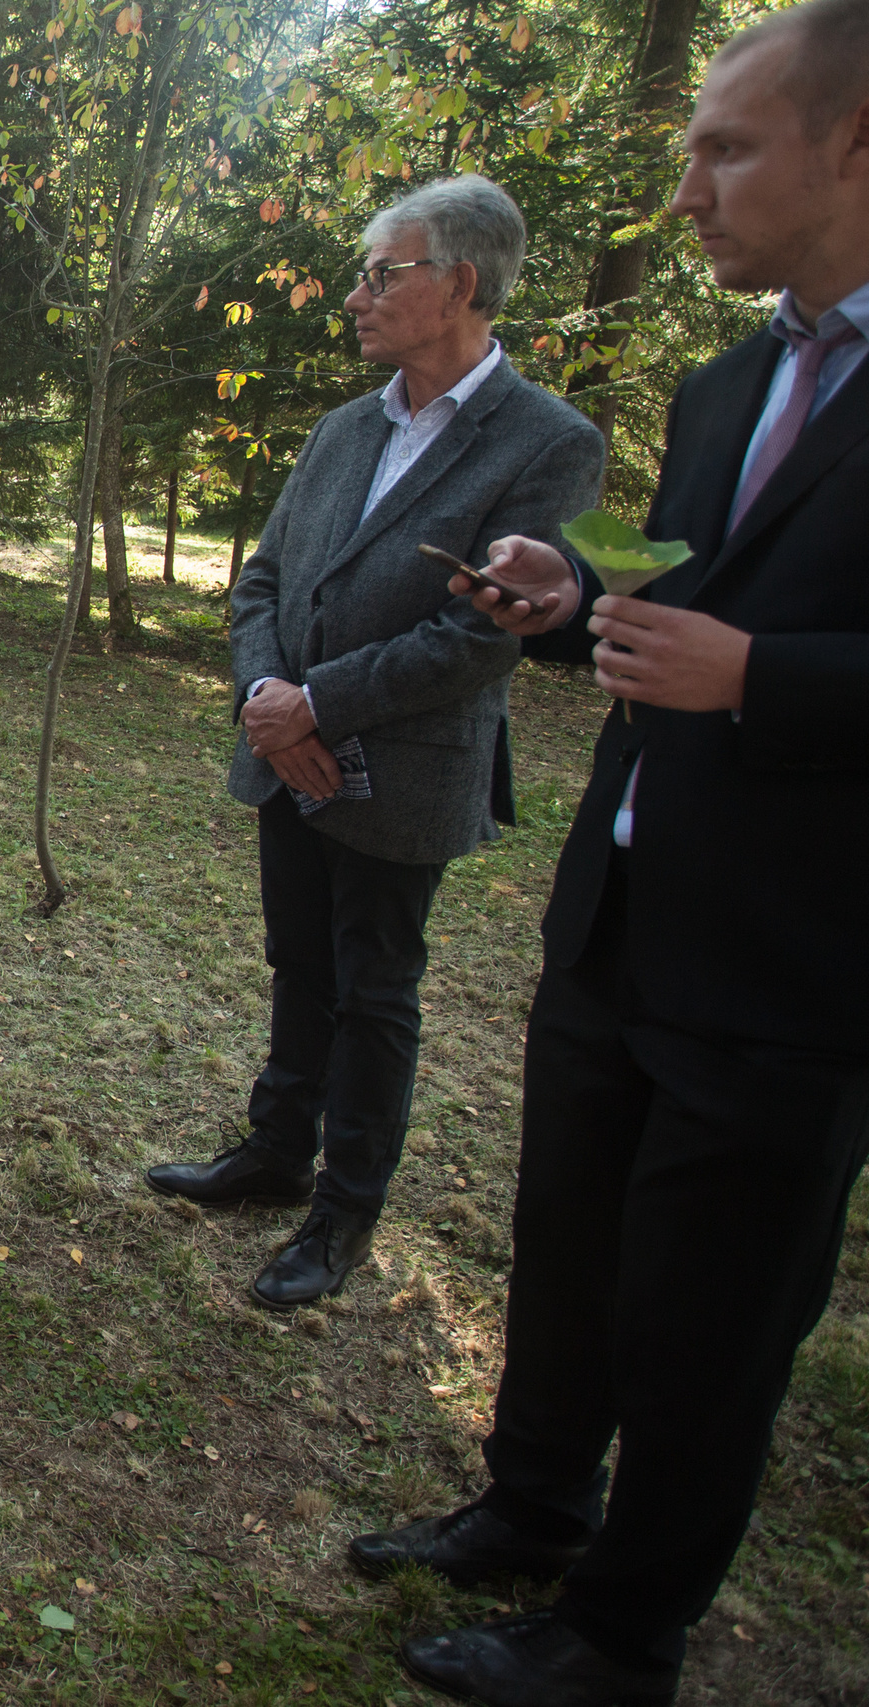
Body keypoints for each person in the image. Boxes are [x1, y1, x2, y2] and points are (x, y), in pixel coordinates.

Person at [354, 7, 869, 1701]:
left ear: (855, 141)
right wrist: (571, 599)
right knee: (569, 1242)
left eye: (728, 149)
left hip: (795, 953)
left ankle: (623, 1629)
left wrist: (765, 677)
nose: (690, 190)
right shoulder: (727, 384)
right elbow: (680, 597)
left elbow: (747, 651)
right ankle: (529, 1505)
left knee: (712, 1313)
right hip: (625, 904)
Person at [141, 175, 604, 1311]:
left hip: (404, 771)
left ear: (459, 284)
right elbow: (262, 579)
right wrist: (266, 694)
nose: (355, 296)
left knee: (375, 988)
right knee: (299, 963)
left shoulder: (547, 443)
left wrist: (319, 705)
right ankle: (274, 1152)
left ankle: (344, 1210)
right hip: (287, 749)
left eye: (380, 274)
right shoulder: (346, 428)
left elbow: (484, 634)